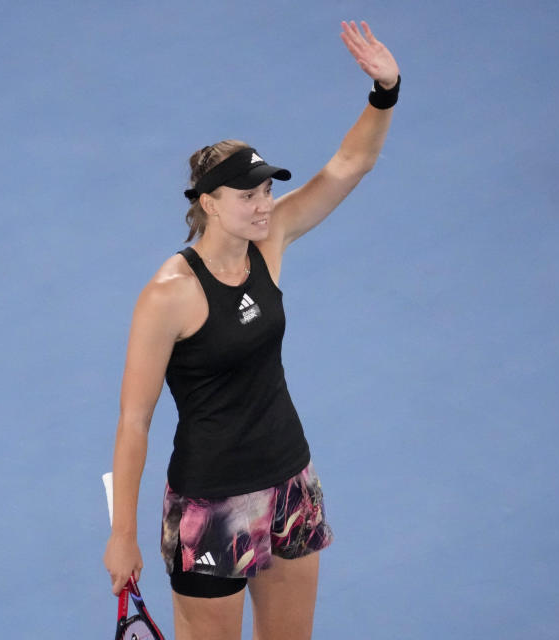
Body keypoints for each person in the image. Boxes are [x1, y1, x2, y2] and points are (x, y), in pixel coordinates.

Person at [103, 20, 400, 640]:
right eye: (248, 195)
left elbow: (351, 164)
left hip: (290, 479)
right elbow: (135, 422)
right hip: (210, 505)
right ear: (208, 202)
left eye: (267, 190)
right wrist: (122, 535)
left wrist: (385, 90)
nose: (264, 204)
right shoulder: (168, 295)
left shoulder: (271, 242)